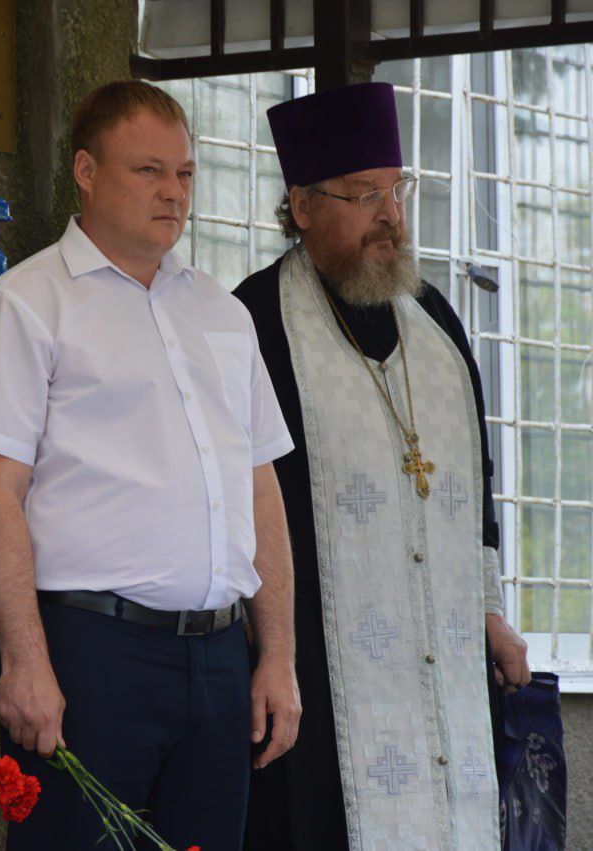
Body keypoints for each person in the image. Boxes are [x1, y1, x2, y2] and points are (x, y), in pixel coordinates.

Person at [0, 80, 300, 851]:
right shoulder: (25, 305)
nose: (172, 193)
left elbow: (258, 485)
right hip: (93, 655)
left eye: (185, 174)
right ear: (85, 170)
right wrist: (25, 659)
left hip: (216, 655)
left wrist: (276, 654)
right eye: (148, 171)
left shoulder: (222, 312)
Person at [234, 81, 531, 850]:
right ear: (301, 207)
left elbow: (478, 478)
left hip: (448, 659)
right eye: (364, 195)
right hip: (322, 672)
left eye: (396, 192)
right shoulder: (254, 322)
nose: (390, 216)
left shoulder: (434, 317)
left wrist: (491, 610)